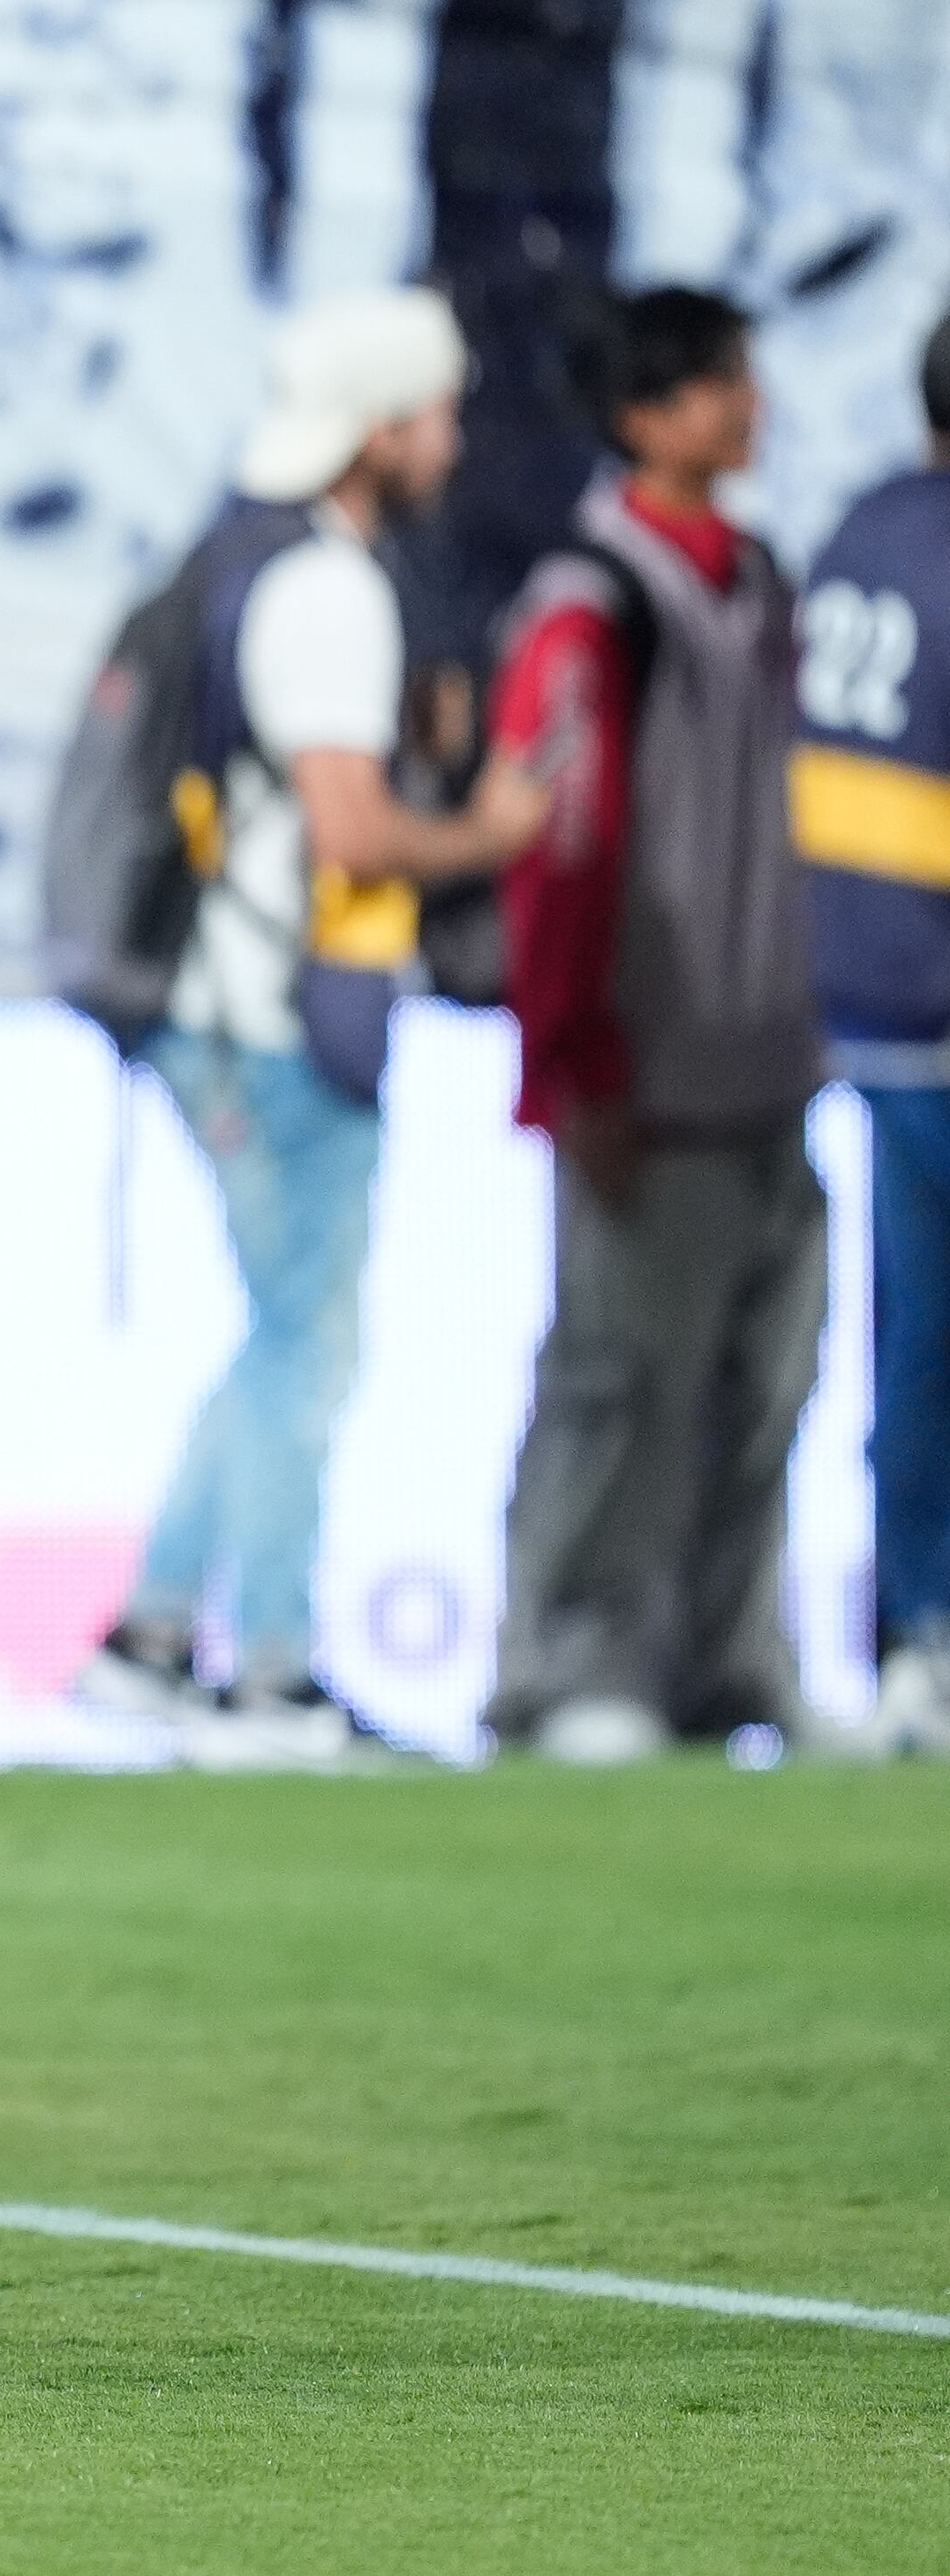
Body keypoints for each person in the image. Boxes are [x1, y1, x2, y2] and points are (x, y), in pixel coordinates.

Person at [72, 290, 548, 1759]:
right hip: (276, 1019)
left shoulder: (244, 556)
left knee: (284, 1335)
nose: (451, 442)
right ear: (382, 428)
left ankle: (155, 1639)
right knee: (307, 1344)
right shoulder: (330, 588)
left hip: (227, 1006)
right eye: (436, 414)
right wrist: (492, 825)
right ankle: (269, 1670)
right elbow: (348, 826)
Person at [483, 289, 828, 1762]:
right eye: (712, 385)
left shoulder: (759, 574)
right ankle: (566, 1665)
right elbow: (561, 847)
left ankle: (725, 1662)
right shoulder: (591, 597)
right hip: (650, 1060)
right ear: (642, 415)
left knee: (765, 1381)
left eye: (741, 378)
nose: (744, 406)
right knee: (618, 1379)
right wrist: (572, 1056)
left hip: (767, 1056)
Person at [791, 314, 950, 1752]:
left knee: (914, 1333)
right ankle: (920, 1635)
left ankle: (910, 1637)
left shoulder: (858, 531)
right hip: (935, 1000)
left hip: (863, 992)